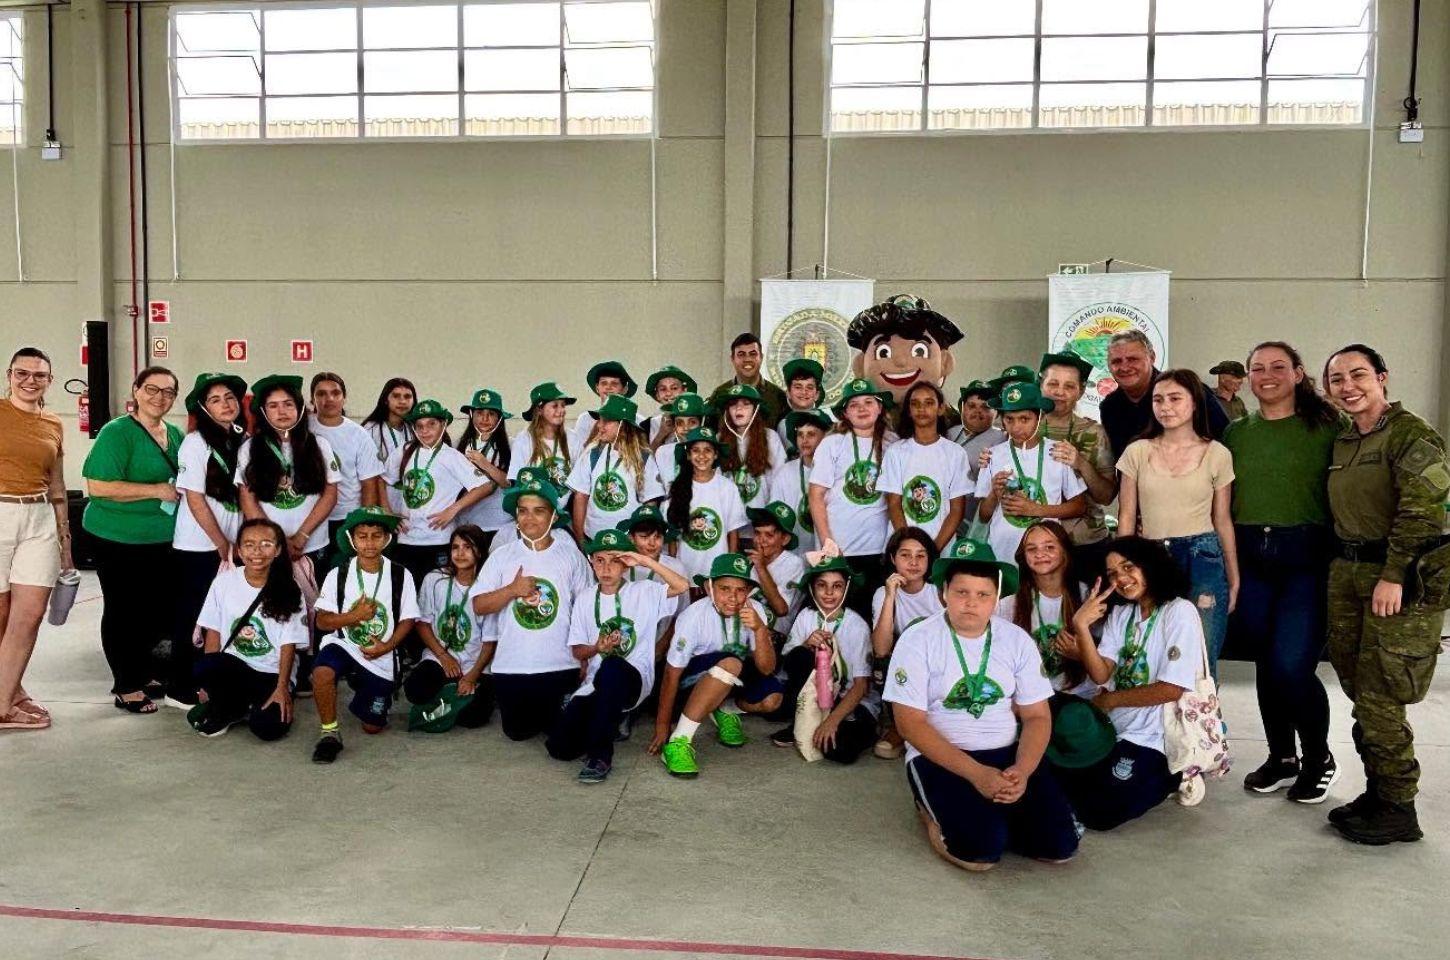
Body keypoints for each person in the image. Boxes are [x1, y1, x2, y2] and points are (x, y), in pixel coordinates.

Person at [885, 538, 1078, 871]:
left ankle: (995, 812)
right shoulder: (917, 640)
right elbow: (909, 724)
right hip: (941, 755)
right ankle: (929, 813)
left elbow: (1036, 716)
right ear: (944, 592)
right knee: (979, 855)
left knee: (1060, 848)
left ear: (996, 598)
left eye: (982, 595)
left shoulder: (1016, 640)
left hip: (1004, 752)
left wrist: (1022, 771)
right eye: (961, 592)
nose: (971, 604)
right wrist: (976, 774)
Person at [1322, 343, 1449, 845]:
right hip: (1350, 572)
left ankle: (1400, 806)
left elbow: (1424, 511)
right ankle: (1379, 791)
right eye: (1337, 380)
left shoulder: (1411, 435)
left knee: (1382, 696)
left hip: (1398, 577)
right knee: (1358, 690)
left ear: (1382, 377)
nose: (1348, 386)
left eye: (1358, 375)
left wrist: (1394, 573)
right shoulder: (1344, 439)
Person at [1224, 342, 1341, 803]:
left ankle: (1318, 758)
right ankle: (1282, 757)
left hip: (1304, 560)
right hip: (1252, 558)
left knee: (1292, 665)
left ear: (1297, 373)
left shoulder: (1329, 425)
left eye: (1278, 367)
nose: (1267, 375)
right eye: (1258, 368)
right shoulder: (1236, 433)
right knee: (1267, 665)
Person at [1061, 537, 1206, 830]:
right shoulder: (1121, 613)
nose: (1122, 578)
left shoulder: (1179, 611)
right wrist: (1081, 626)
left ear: (1150, 565)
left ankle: (1178, 775)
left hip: (1156, 736)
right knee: (1063, 782)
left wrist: (1109, 700)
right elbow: (1101, 674)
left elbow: (1171, 688)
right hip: (1114, 728)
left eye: (1128, 567)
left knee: (1102, 813)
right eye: (1113, 573)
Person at [1116, 369, 1239, 678]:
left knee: (1201, 655)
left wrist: (1233, 576)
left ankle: (1202, 724)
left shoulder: (1217, 454)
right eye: (1158, 399)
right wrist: (1121, 567)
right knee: (1152, 649)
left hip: (1204, 557)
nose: (1165, 407)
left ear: (1194, 403)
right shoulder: (1137, 451)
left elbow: (1222, 519)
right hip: (1151, 557)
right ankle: (1152, 725)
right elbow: (1127, 516)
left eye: (1175, 398)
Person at [547, 527, 689, 783]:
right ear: (591, 562)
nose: (606, 569)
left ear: (625, 564)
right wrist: (596, 649)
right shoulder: (585, 599)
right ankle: (603, 719)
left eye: (614, 561)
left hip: (633, 679)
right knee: (559, 748)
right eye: (600, 560)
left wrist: (643, 559)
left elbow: (681, 585)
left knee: (613, 666)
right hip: (595, 683)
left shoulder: (643, 591)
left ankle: (600, 756)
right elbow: (577, 649)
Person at [82, 366, 184, 714]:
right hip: (117, 537)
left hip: (161, 539)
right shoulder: (117, 432)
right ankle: (126, 685)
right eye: (152, 389)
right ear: (136, 391)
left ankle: (144, 672)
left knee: (152, 610)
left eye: (168, 392)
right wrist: (155, 489)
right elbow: (98, 486)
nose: (159, 397)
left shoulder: (174, 433)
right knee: (123, 610)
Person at [469, 477, 593, 742]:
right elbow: (479, 605)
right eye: (523, 511)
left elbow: (587, 610)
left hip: (560, 666)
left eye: (539, 511)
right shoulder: (502, 555)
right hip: (511, 667)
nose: (530, 518)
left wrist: (586, 658)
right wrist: (512, 590)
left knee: (560, 736)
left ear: (553, 515)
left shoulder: (571, 555)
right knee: (518, 733)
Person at [651, 552, 780, 777]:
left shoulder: (755, 610)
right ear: (710, 588)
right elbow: (672, 674)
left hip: (730, 675)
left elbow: (767, 668)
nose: (733, 597)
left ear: (749, 592)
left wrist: (760, 630)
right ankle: (679, 741)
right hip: (692, 683)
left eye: (741, 590)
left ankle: (724, 709)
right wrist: (663, 726)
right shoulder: (693, 616)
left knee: (772, 700)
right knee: (730, 663)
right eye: (725, 589)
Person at [311, 506, 419, 763]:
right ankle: (329, 733)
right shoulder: (338, 574)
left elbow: (408, 619)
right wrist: (353, 617)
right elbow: (323, 622)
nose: (369, 542)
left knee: (372, 727)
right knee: (322, 671)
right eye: (362, 536)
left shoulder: (400, 575)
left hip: (382, 651)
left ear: (386, 538)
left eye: (376, 535)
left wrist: (388, 645)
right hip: (344, 643)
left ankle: (363, 685)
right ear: (352, 539)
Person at [167, 372, 249, 709]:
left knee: (221, 615)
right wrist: (220, 543)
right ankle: (180, 686)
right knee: (192, 616)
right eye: (215, 400)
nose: (225, 404)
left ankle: (211, 680)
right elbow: (195, 499)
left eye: (229, 397)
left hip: (229, 545)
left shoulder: (240, 438)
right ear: (204, 407)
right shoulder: (196, 443)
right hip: (199, 546)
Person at [0, 347, 70, 730]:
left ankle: (4, 700)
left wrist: (66, 540)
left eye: (39, 375)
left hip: (40, 516)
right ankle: (9, 693)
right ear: (9, 375)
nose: (30, 380)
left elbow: (58, 483)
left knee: (28, 615)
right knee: (1, 616)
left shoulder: (54, 423)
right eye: (22, 373)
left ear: (49, 380)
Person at [188, 517, 307, 740]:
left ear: (278, 550)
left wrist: (282, 688)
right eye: (249, 545)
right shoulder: (224, 582)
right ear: (240, 551)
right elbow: (213, 630)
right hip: (235, 666)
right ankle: (231, 706)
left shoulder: (290, 588)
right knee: (204, 667)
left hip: (271, 672)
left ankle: (246, 706)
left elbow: (288, 643)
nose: (257, 552)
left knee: (267, 729)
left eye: (266, 544)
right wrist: (209, 686)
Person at [769, 556, 876, 763]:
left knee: (839, 750)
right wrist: (807, 645)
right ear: (812, 588)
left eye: (837, 586)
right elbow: (788, 664)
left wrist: (832, 722)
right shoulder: (806, 616)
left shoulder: (857, 626)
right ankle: (800, 721)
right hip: (815, 696)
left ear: (846, 589)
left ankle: (866, 729)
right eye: (822, 585)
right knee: (800, 656)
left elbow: (861, 685)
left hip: (848, 700)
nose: (828, 593)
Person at [809, 378, 896, 620]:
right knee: (837, 617)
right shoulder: (832, 444)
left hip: (878, 548)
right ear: (845, 413)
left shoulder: (893, 444)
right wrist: (828, 542)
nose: (862, 408)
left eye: (869, 402)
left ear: (880, 408)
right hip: (839, 548)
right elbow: (816, 495)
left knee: (872, 615)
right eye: (854, 404)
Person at [975, 382, 1087, 568]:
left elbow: (1079, 506)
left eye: (1024, 419)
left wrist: (1036, 510)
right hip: (1002, 552)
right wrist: (994, 494)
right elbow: (983, 516)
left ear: (1039, 417)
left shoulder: (1057, 452)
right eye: (1009, 419)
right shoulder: (993, 455)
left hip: (1044, 555)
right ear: (1002, 420)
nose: (1016, 427)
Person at [236, 375, 341, 565]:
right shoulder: (249, 448)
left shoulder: (319, 445)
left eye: (288, 404)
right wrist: (278, 539)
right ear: (263, 411)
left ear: (300, 408)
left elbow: (330, 495)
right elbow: (247, 500)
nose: (281, 411)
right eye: (273, 406)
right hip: (269, 549)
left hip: (314, 545)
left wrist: (301, 536)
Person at [384, 398, 491, 582]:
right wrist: (388, 513)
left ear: (443, 424)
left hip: (439, 539)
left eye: (431, 424)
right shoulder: (404, 451)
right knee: (406, 594)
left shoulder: (451, 456)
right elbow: (382, 480)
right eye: (420, 426)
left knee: (436, 592)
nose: (425, 431)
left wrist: (453, 510)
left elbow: (486, 486)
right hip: (406, 539)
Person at [405, 525, 496, 731]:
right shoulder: (435, 579)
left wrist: (472, 676)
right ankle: (451, 692)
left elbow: (490, 642)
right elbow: (423, 624)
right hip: (440, 658)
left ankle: (456, 693)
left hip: (476, 663)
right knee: (414, 690)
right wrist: (443, 657)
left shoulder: (488, 588)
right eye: (455, 547)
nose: (460, 553)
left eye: (467, 547)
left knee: (474, 719)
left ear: (479, 552)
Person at [1037, 351, 1117, 573]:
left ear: (1081, 391)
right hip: (1036, 544)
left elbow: (1106, 496)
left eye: (1069, 386)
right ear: (1041, 385)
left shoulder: (1094, 432)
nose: (1059, 392)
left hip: (1086, 544)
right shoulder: (1022, 428)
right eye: (1053, 383)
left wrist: (1081, 463)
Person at [997, 521, 1095, 697]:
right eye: (1031, 549)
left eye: (1049, 547)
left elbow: (1108, 662)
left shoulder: (1087, 596)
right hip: (1029, 698)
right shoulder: (1009, 604)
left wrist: (1082, 654)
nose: (1040, 554)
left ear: (1065, 552)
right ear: (1023, 557)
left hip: (1080, 696)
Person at [869, 527, 943, 759]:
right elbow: (880, 648)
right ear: (893, 559)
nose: (913, 562)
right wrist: (891, 595)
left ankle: (936, 725)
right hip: (908, 666)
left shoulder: (939, 591)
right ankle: (899, 728)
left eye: (921, 555)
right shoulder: (883, 592)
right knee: (883, 663)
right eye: (905, 555)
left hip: (940, 661)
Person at [1099, 330, 1228, 462]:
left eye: (1133, 359)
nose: (1124, 367)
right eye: (1116, 361)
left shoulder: (1190, 391)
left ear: (1152, 357)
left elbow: (1224, 441)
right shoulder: (1109, 407)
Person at [846, 295, 963, 424]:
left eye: (919, 351)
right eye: (883, 353)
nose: (901, 361)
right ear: (860, 366)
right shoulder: (858, 425)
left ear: (945, 363)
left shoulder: (956, 427)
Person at [309, 372, 385, 572]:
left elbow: (369, 483)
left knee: (345, 574)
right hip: (312, 519)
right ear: (312, 399)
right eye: (322, 394)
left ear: (344, 397)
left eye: (335, 393)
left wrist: (362, 524)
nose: (329, 399)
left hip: (346, 518)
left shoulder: (359, 435)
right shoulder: (304, 430)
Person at [879, 382, 969, 551]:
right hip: (902, 549)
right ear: (908, 410)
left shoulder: (955, 453)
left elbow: (957, 510)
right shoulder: (896, 452)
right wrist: (909, 547)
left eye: (929, 403)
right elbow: (894, 504)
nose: (921, 409)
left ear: (941, 408)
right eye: (915, 404)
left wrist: (933, 550)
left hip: (941, 548)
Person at [569, 394, 664, 540]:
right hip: (594, 539)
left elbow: (650, 503)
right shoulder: (592, 453)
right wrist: (580, 539)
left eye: (606, 421)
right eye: (600, 420)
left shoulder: (643, 458)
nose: (599, 426)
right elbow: (580, 497)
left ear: (623, 426)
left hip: (628, 541)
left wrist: (643, 539)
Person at [665, 426, 747, 580]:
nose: (702, 456)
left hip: (716, 570)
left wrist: (729, 568)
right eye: (696, 450)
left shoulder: (728, 488)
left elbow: (733, 532)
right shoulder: (677, 488)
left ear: (716, 454)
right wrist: (673, 569)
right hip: (685, 569)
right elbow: (673, 538)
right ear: (688, 455)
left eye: (708, 450)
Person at [455, 388, 513, 554]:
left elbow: (509, 483)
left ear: (499, 418)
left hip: (499, 524)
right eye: (480, 413)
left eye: (491, 414)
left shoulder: (511, 446)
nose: (485, 419)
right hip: (465, 524)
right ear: (471, 414)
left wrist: (485, 464)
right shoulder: (457, 445)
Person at [768, 407, 831, 557]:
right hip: (795, 556)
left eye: (811, 434)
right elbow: (775, 518)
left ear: (825, 437)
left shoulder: (835, 471)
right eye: (800, 435)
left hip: (829, 554)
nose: (804, 440)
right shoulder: (784, 473)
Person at [718, 383, 787, 520]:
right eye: (733, 404)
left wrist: (770, 519)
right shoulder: (718, 440)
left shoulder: (770, 437)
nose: (739, 408)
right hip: (730, 525)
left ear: (756, 410)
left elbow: (779, 481)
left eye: (746, 404)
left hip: (761, 524)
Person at [946, 380, 1004, 530]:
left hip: (974, 522)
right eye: (971, 406)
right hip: (941, 514)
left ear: (996, 412)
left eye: (986, 407)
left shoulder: (1001, 440)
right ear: (962, 408)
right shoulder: (950, 433)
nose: (978, 411)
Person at [744, 501, 806, 636]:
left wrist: (760, 567)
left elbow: (781, 609)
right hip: (746, 631)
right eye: (757, 533)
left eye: (769, 535)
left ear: (785, 539)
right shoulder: (749, 561)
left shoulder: (794, 564)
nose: (761, 540)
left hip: (775, 635)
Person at [707, 332, 788, 428]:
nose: (747, 359)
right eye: (741, 355)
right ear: (732, 359)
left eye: (753, 354)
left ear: (761, 357)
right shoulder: (720, 394)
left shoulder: (778, 397)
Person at [510, 381, 575, 490]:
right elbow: (516, 479)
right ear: (539, 410)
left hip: (565, 507)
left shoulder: (573, 438)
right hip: (533, 504)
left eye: (563, 405)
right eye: (555, 406)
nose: (561, 410)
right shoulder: (524, 439)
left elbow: (579, 482)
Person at [571, 360, 637, 453]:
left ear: (625, 389)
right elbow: (578, 455)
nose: (608, 387)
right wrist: (594, 434)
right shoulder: (585, 419)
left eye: (614, 383)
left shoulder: (637, 420)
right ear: (597, 387)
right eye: (603, 383)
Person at [650, 393, 709, 487]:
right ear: (674, 426)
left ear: (701, 423)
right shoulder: (663, 452)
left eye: (692, 422)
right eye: (680, 423)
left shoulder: (710, 452)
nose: (686, 428)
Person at [775, 358, 829, 449]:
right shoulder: (783, 425)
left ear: (817, 395)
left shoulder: (830, 420)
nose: (804, 392)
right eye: (798, 387)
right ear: (788, 393)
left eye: (810, 387)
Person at [361, 377, 417, 463]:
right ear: (385, 400)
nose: (402, 401)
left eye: (407, 397)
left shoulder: (416, 429)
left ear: (413, 402)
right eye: (396, 396)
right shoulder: (370, 430)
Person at [640, 365, 696, 451]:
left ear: (684, 391)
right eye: (663, 389)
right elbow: (644, 461)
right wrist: (661, 434)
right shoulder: (646, 426)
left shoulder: (698, 420)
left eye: (674, 388)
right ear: (657, 395)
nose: (668, 393)